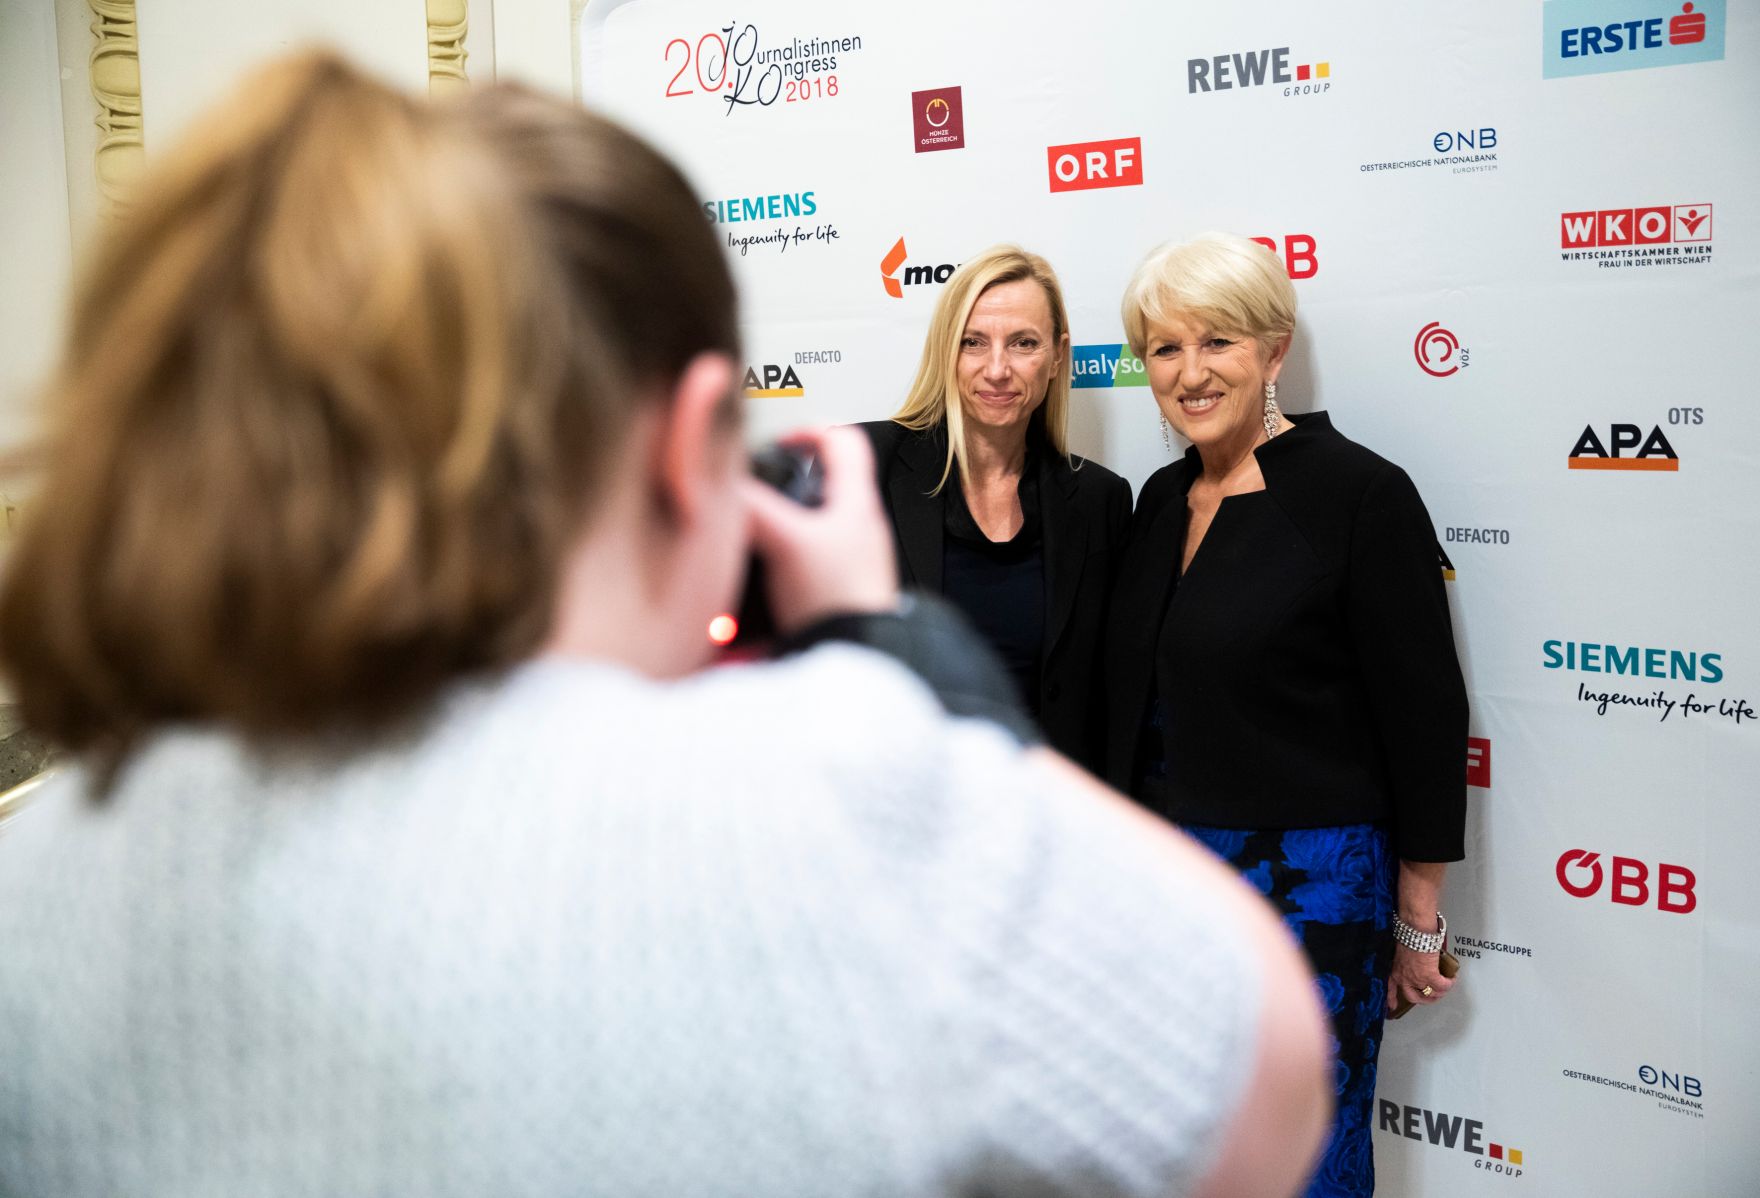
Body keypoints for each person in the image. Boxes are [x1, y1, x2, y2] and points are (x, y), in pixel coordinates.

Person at [0, 54, 1331, 1198]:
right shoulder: (820, 802)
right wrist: (895, 656)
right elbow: (1258, 1079)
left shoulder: (40, 872)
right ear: (700, 438)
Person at [1103, 233, 1469, 1198]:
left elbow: (1426, 712)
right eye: (1164, 348)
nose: (1188, 373)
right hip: (1170, 890)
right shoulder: (1158, 498)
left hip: (1310, 888)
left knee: (1303, 1151)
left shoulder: (1359, 494)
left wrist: (1418, 916)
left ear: (1272, 349)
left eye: (1215, 342)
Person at [860, 248, 1130, 773]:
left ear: (1057, 357)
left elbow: (1107, 697)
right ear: (946, 352)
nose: (998, 369)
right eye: (973, 343)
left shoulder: (1100, 500)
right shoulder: (865, 467)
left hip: (1043, 820)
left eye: (1024, 343)